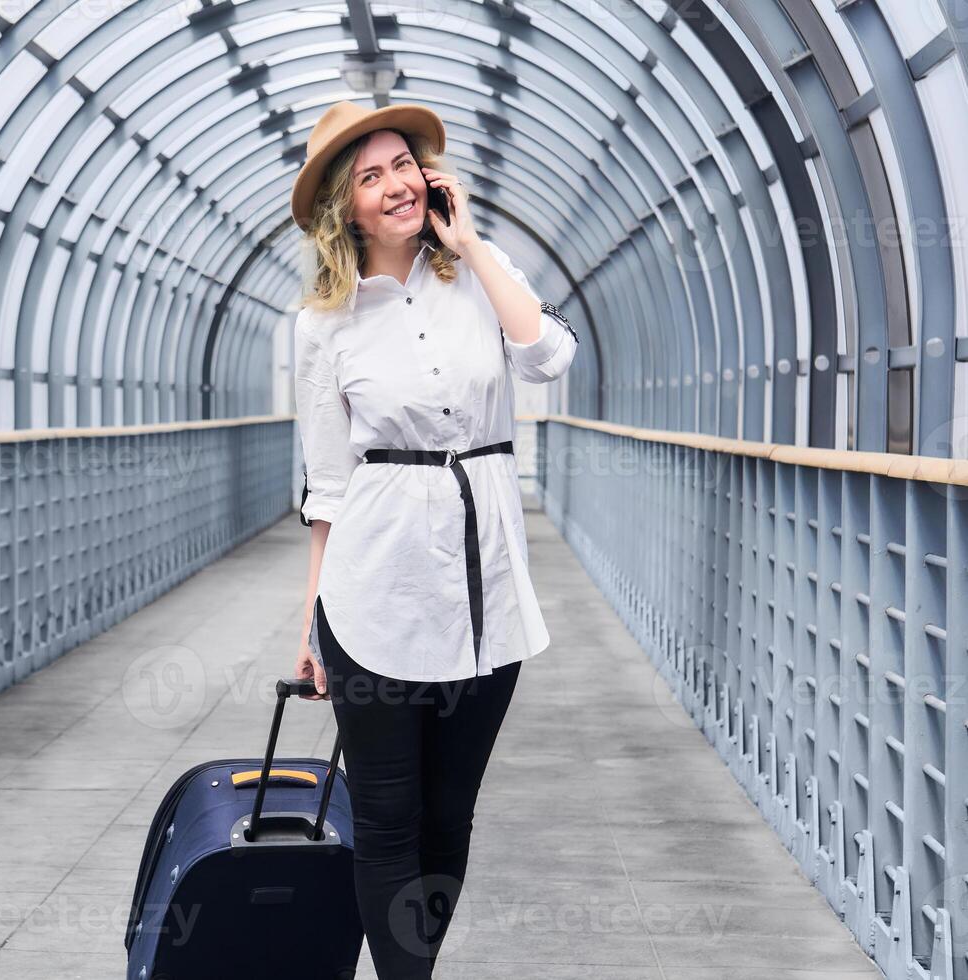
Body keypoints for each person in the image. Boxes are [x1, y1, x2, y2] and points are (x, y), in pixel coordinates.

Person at [288, 100, 579, 978]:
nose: (394, 185)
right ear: (347, 206)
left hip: (485, 592)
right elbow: (328, 484)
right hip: (373, 591)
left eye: (401, 166)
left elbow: (549, 357)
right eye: (369, 176)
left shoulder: (481, 280)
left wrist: (475, 245)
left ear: (430, 177)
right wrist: (310, 621)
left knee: (450, 817)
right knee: (385, 819)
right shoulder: (322, 324)